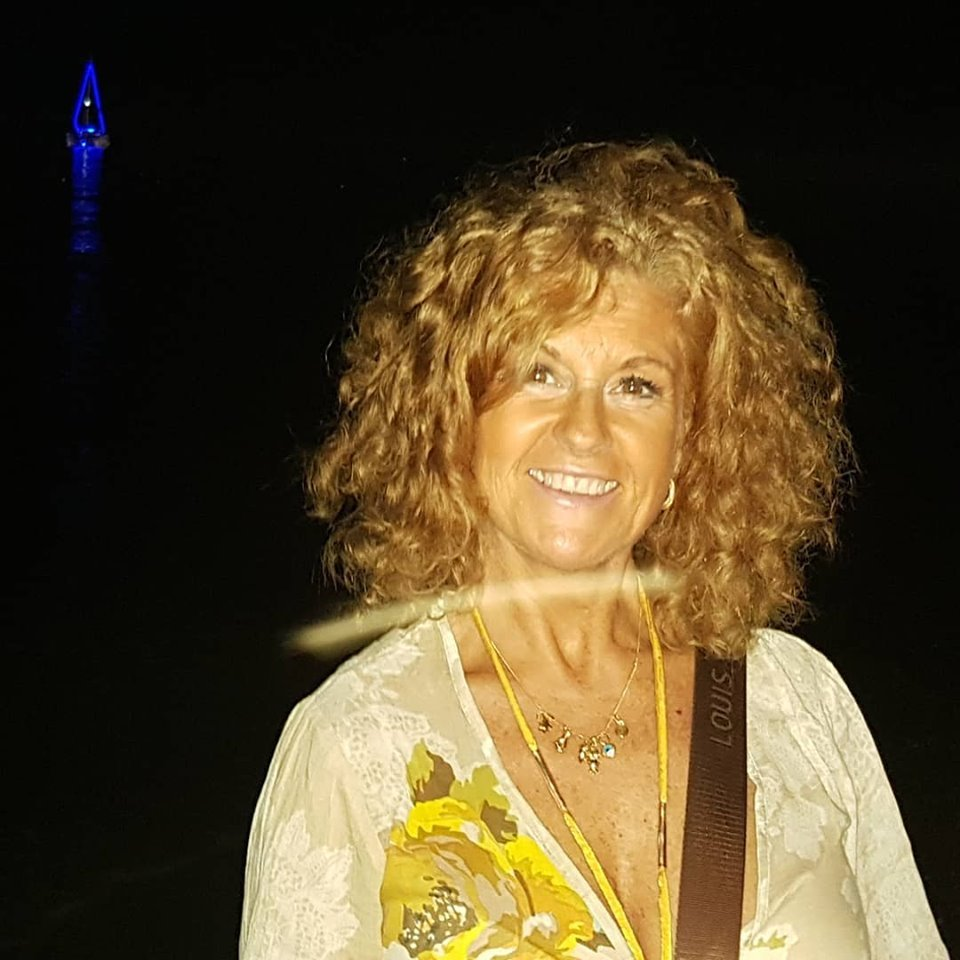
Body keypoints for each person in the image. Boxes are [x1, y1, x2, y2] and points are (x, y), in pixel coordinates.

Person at [239, 142, 946, 959]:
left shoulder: (799, 704)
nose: (585, 430)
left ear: (691, 441)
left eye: (637, 386)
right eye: (539, 373)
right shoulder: (354, 745)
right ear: (454, 416)